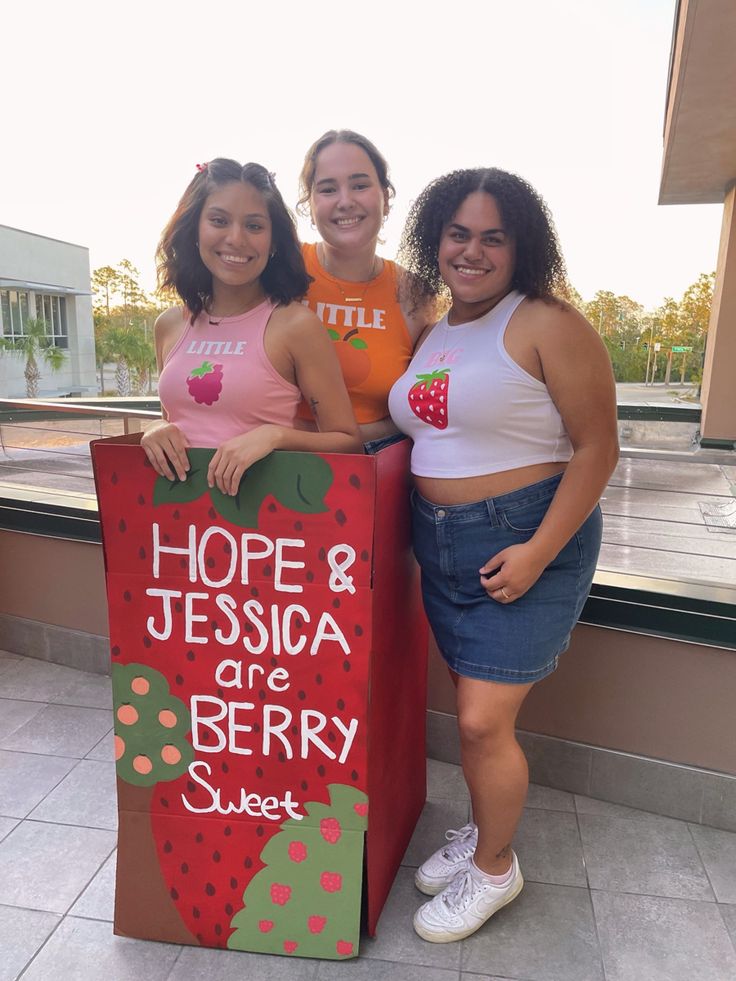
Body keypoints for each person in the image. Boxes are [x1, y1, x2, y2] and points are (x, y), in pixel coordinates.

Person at [388, 168, 619, 943]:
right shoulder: (436, 329)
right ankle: (482, 830)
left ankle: (495, 866)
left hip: (526, 540)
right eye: (459, 233)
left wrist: (534, 551)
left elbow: (597, 448)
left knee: (484, 721)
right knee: (471, 708)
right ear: (436, 239)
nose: (473, 250)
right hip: (441, 541)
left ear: (522, 246)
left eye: (494, 236)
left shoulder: (549, 321)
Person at [142, 158, 362, 490]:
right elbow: (173, 419)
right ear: (194, 229)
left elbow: (348, 441)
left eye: (254, 226)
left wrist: (274, 436)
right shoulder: (169, 324)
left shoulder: (294, 326)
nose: (236, 239)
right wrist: (153, 430)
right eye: (219, 220)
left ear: (273, 242)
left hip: (262, 526)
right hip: (178, 526)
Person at [295, 129, 435, 449]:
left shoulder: (415, 294)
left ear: (385, 198)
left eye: (359, 185)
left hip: (369, 479)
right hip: (265, 472)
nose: (346, 201)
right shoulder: (281, 270)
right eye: (328, 189)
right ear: (310, 204)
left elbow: (417, 413)